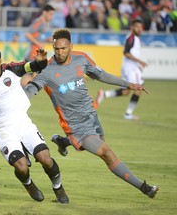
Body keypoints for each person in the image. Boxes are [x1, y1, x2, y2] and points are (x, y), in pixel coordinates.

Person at [24, 28, 159, 199]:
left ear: (70, 47)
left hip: (92, 116)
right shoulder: (47, 70)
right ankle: (144, 187)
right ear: (53, 47)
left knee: (101, 144)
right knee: (106, 153)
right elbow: (31, 89)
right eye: (56, 49)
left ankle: (63, 141)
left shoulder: (82, 58)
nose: (59, 52)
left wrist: (128, 84)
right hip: (75, 126)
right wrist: (16, 101)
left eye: (63, 48)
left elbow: (101, 75)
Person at [0, 47, 69, 204]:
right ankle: (28, 184)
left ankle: (58, 188)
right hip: (3, 130)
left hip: (23, 123)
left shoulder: (12, 69)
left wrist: (40, 62)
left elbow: (34, 66)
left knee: (45, 159)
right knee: (21, 167)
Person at [96, 19, 148, 120]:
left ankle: (104, 94)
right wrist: (140, 62)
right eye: (138, 27)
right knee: (138, 89)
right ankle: (128, 114)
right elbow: (126, 53)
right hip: (130, 68)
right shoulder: (131, 38)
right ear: (132, 27)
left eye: (141, 27)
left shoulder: (134, 38)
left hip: (129, 67)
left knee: (126, 92)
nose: (140, 29)